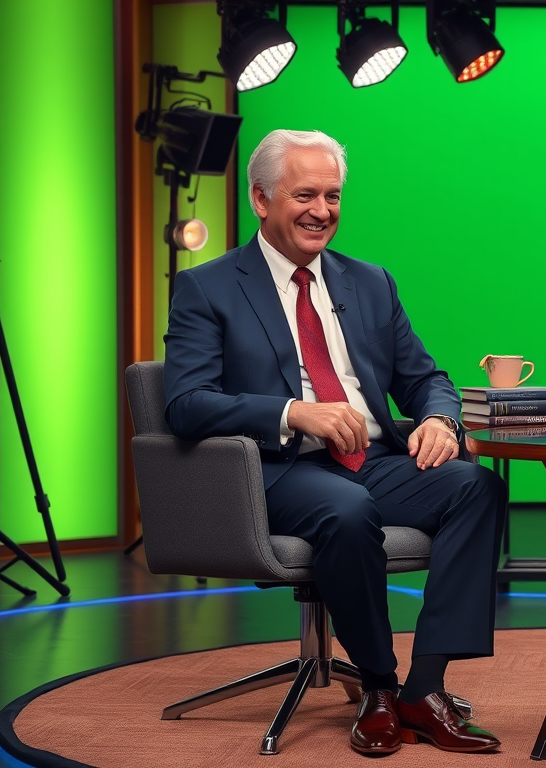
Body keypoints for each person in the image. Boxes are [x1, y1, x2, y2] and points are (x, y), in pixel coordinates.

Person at [163, 129, 506, 757]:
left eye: (333, 196)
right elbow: (185, 404)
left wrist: (440, 421)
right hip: (281, 467)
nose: (322, 211)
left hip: (374, 458)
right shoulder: (208, 288)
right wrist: (295, 412)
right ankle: (377, 686)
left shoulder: (371, 282)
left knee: (474, 486)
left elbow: (426, 378)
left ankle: (422, 690)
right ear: (261, 199)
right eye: (305, 196)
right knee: (347, 512)